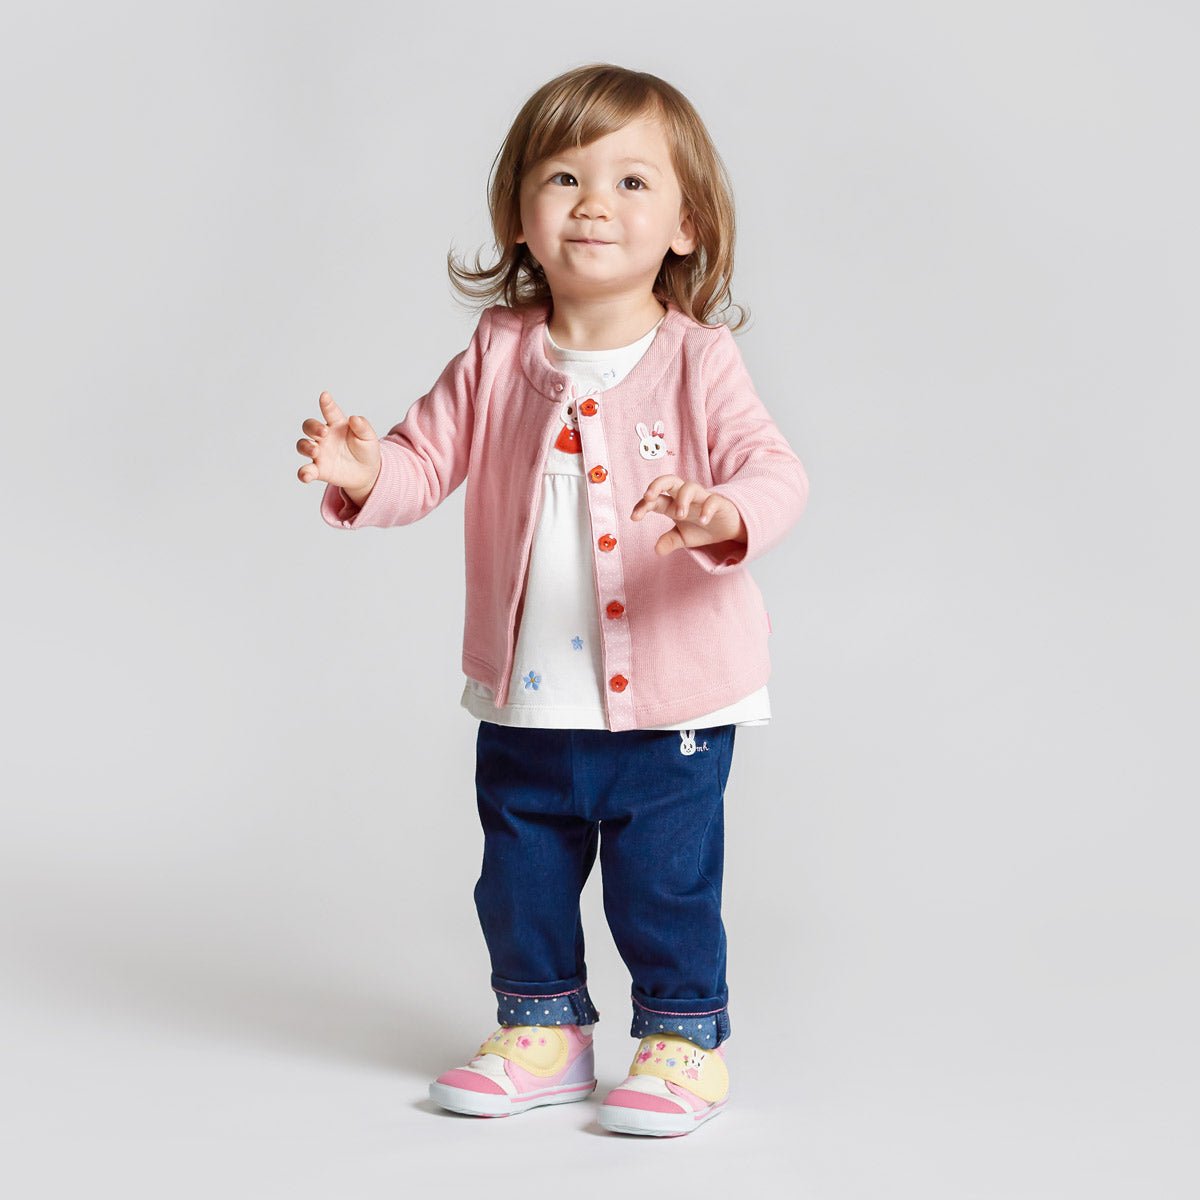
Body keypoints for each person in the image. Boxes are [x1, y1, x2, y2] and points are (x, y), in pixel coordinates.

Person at [295, 63, 809, 1137]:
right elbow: (422, 464)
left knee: (664, 880)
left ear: (685, 225)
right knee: (519, 869)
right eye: (565, 177)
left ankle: (683, 1038)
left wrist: (721, 511)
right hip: (531, 694)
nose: (593, 204)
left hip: (675, 699)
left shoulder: (698, 360)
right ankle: (544, 1030)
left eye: (632, 182)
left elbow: (776, 471)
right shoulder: (499, 353)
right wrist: (366, 471)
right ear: (520, 216)